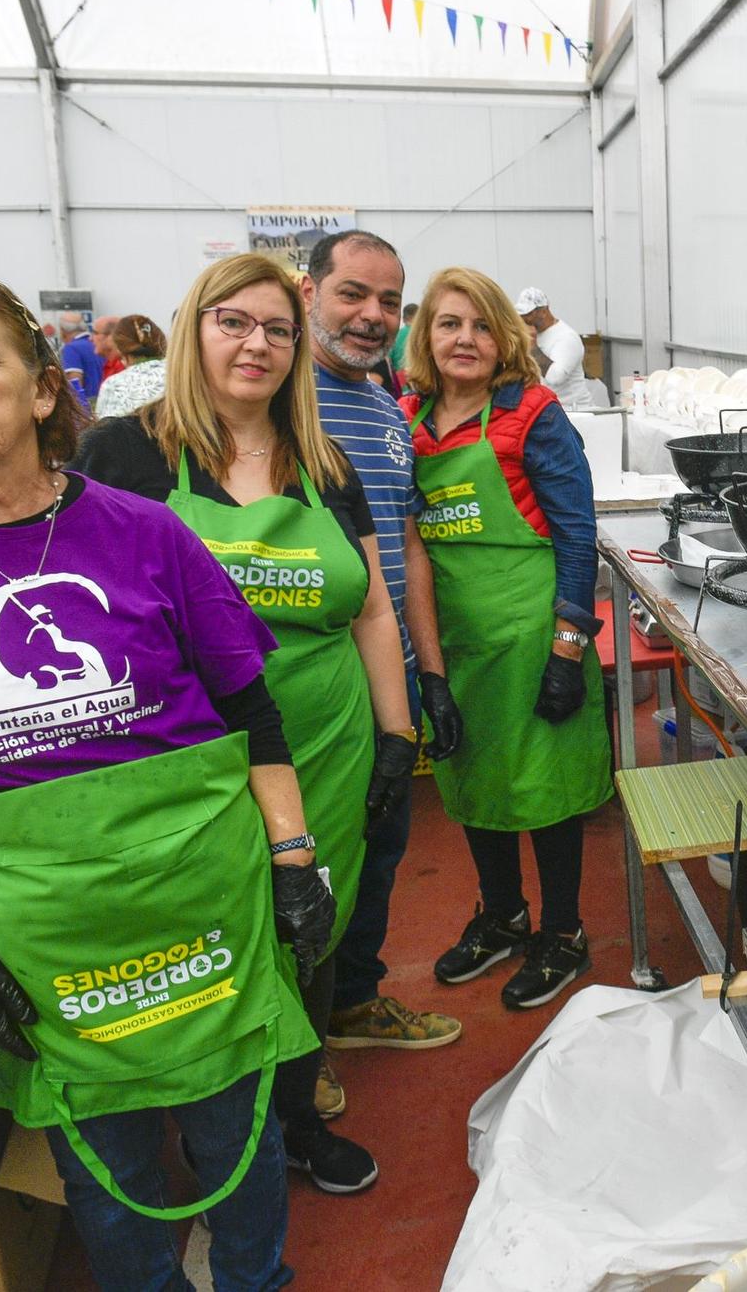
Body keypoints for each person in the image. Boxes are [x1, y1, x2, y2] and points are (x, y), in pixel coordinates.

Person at [0, 264, 332, 1290]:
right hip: (38, 926)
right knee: (105, 1159)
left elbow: (250, 711)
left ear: (45, 387)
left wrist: (292, 855)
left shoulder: (145, 532)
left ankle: (255, 1278)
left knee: (239, 1127)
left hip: (200, 895)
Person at [76, 253, 414, 1194]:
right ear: (194, 329)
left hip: (329, 749)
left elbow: (374, 607)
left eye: (276, 328)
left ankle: (296, 1121)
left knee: (312, 940)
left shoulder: (323, 462)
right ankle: (217, 1132)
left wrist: (397, 734)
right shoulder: (125, 455)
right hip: (195, 756)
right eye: (234, 321)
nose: (256, 344)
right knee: (212, 941)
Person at [402, 267, 611, 1010]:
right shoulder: (408, 419)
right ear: (425, 334)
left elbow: (578, 536)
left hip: (531, 640)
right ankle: (502, 914)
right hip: (452, 644)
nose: (465, 339)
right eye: (449, 323)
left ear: (508, 339)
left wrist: (568, 645)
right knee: (471, 782)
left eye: (482, 325)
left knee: (544, 793)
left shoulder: (533, 413)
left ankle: (563, 932)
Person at [299, 230, 466, 1089]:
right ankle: (295, 1044)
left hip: (388, 674)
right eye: (352, 295)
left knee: (381, 842)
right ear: (309, 293)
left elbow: (405, 542)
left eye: (388, 303)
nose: (372, 318)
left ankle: (353, 1001)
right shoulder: (280, 402)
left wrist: (427, 671)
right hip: (310, 685)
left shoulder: (383, 408)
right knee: (303, 863)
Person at [513, 287, 594, 409]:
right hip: (547, 407)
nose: (524, 319)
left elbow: (556, 377)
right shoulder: (535, 333)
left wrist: (532, 346)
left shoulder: (566, 337)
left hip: (573, 410)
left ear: (544, 311)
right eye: (521, 314)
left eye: (529, 314)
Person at [92, 314, 167, 419]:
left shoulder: (113, 384)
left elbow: (101, 428)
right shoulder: (180, 373)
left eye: (94, 333)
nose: (91, 338)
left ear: (119, 347)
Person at [58, 315, 100, 409]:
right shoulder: (97, 344)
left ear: (63, 331)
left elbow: (74, 381)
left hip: (89, 406)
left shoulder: (71, 348)